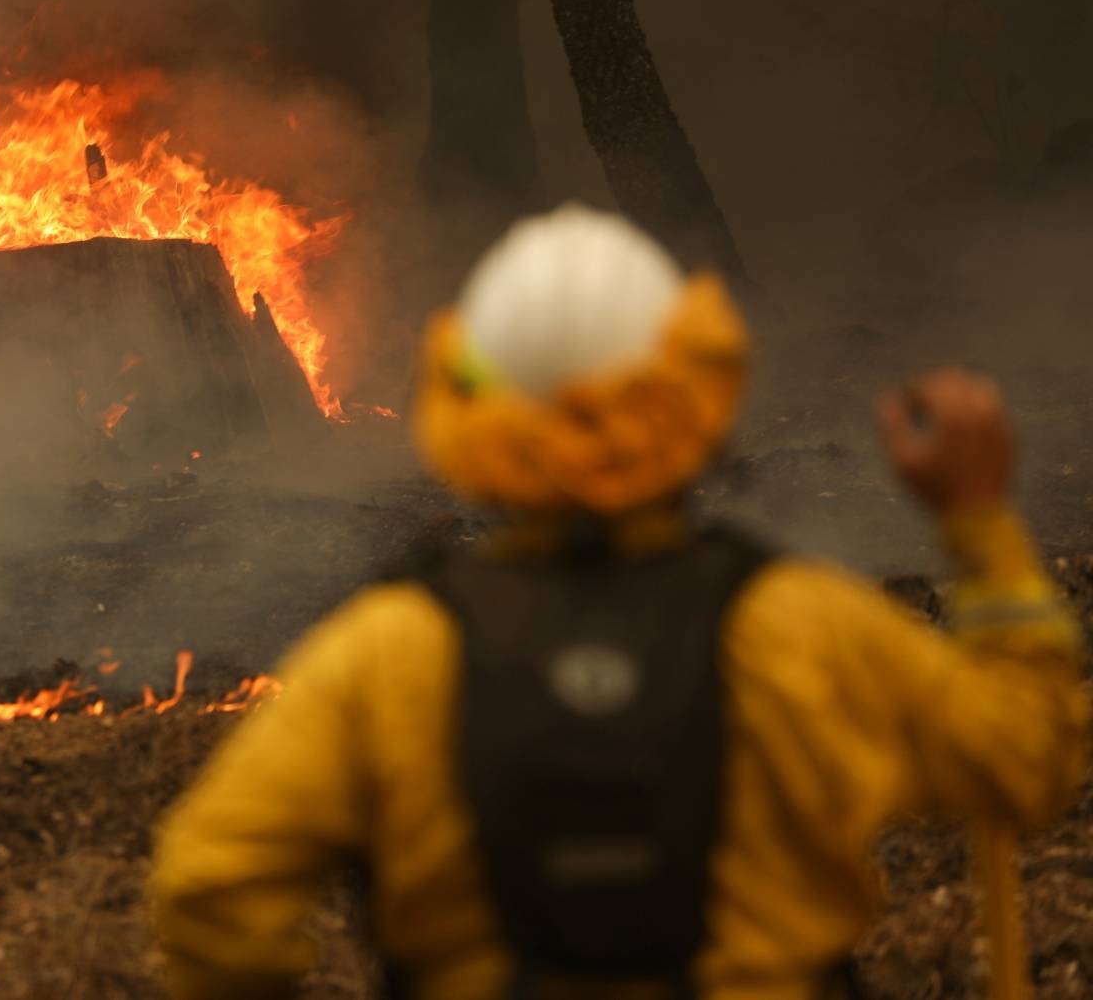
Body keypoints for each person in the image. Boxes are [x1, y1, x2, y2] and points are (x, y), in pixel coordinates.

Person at [148, 204, 1087, 999]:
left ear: (467, 412)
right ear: (697, 393)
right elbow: (1027, 761)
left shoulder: (389, 653)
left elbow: (209, 890)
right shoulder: (803, 627)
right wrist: (981, 527)